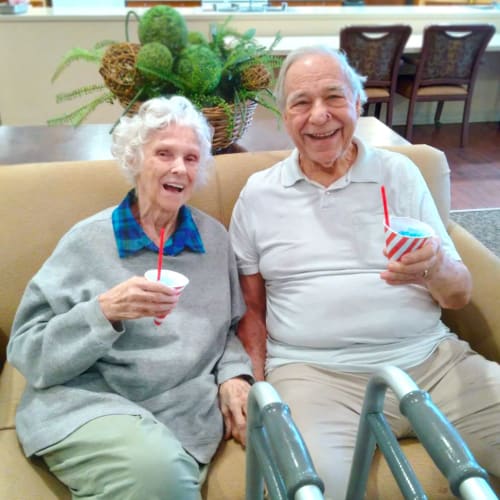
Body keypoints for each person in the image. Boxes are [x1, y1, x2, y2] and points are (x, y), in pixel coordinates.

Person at [229, 45, 500, 498]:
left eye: (334, 98)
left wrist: (433, 265)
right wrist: (256, 389)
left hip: (430, 362)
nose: (319, 117)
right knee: (312, 488)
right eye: (301, 102)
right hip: (315, 375)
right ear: (284, 115)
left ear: (358, 103)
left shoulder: (402, 173)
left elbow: (457, 295)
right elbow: (251, 310)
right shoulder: (258, 195)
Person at [8, 96, 253, 500]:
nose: (179, 168)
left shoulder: (213, 241)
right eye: (164, 153)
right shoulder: (88, 242)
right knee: (160, 477)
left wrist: (234, 376)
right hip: (90, 401)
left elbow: (227, 328)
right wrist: (103, 312)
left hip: (182, 407)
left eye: (191, 158)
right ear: (135, 159)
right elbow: (28, 351)